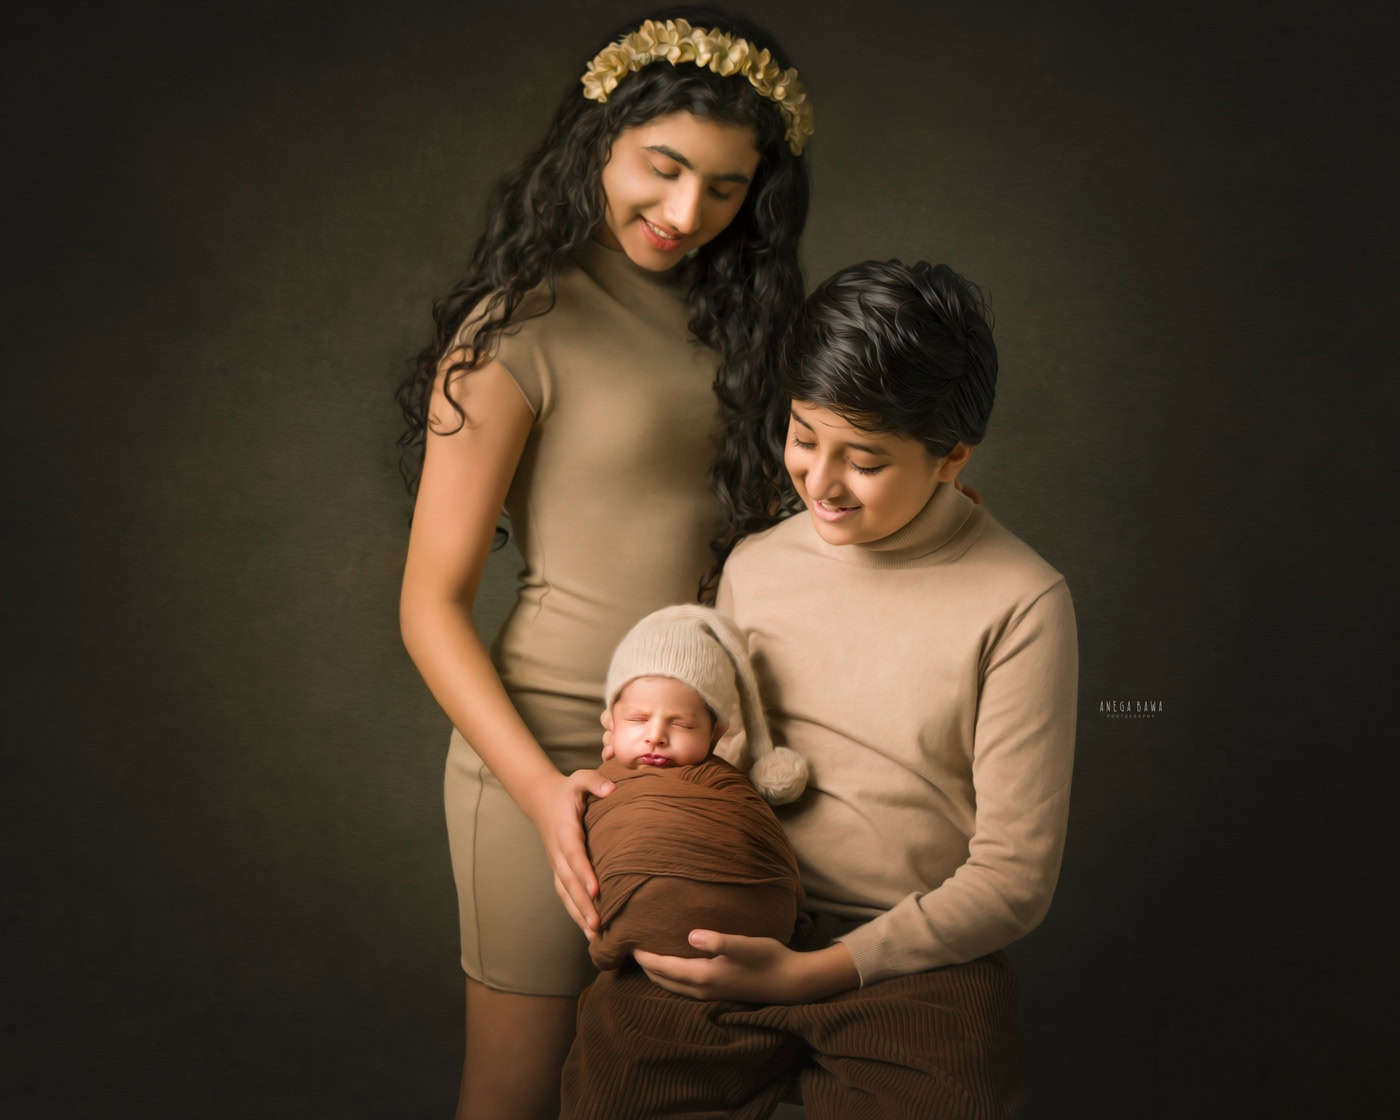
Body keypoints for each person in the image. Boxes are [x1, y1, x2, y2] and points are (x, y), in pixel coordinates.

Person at [395, 9, 812, 1119]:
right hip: (549, 758)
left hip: (718, 758)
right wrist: (545, 797)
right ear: (599, 142)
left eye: (723, 188)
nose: (684, 212)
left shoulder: (751, 323)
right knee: (517, 1093)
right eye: (661, 167)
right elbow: (428, 607)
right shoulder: (515, 326)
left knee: (675, 1091)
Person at [560, 260, 1079, 1120]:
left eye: (865, 460)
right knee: (616, 1074)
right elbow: (713, 756)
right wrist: (620, 798)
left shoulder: (1022, 602)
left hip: (913, 957)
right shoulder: (757, 566)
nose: (821, 484)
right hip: (734, 916)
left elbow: (1014, 877)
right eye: (804, 437)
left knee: (953, 1093)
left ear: (952, 457)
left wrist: (816, 972)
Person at [585, 603, 810, 971]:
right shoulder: (595, 786)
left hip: (755, 945)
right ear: (611, 722)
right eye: (638, 719)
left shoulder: (730, 790)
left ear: (716, 734)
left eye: (682, 725)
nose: (655, 736)